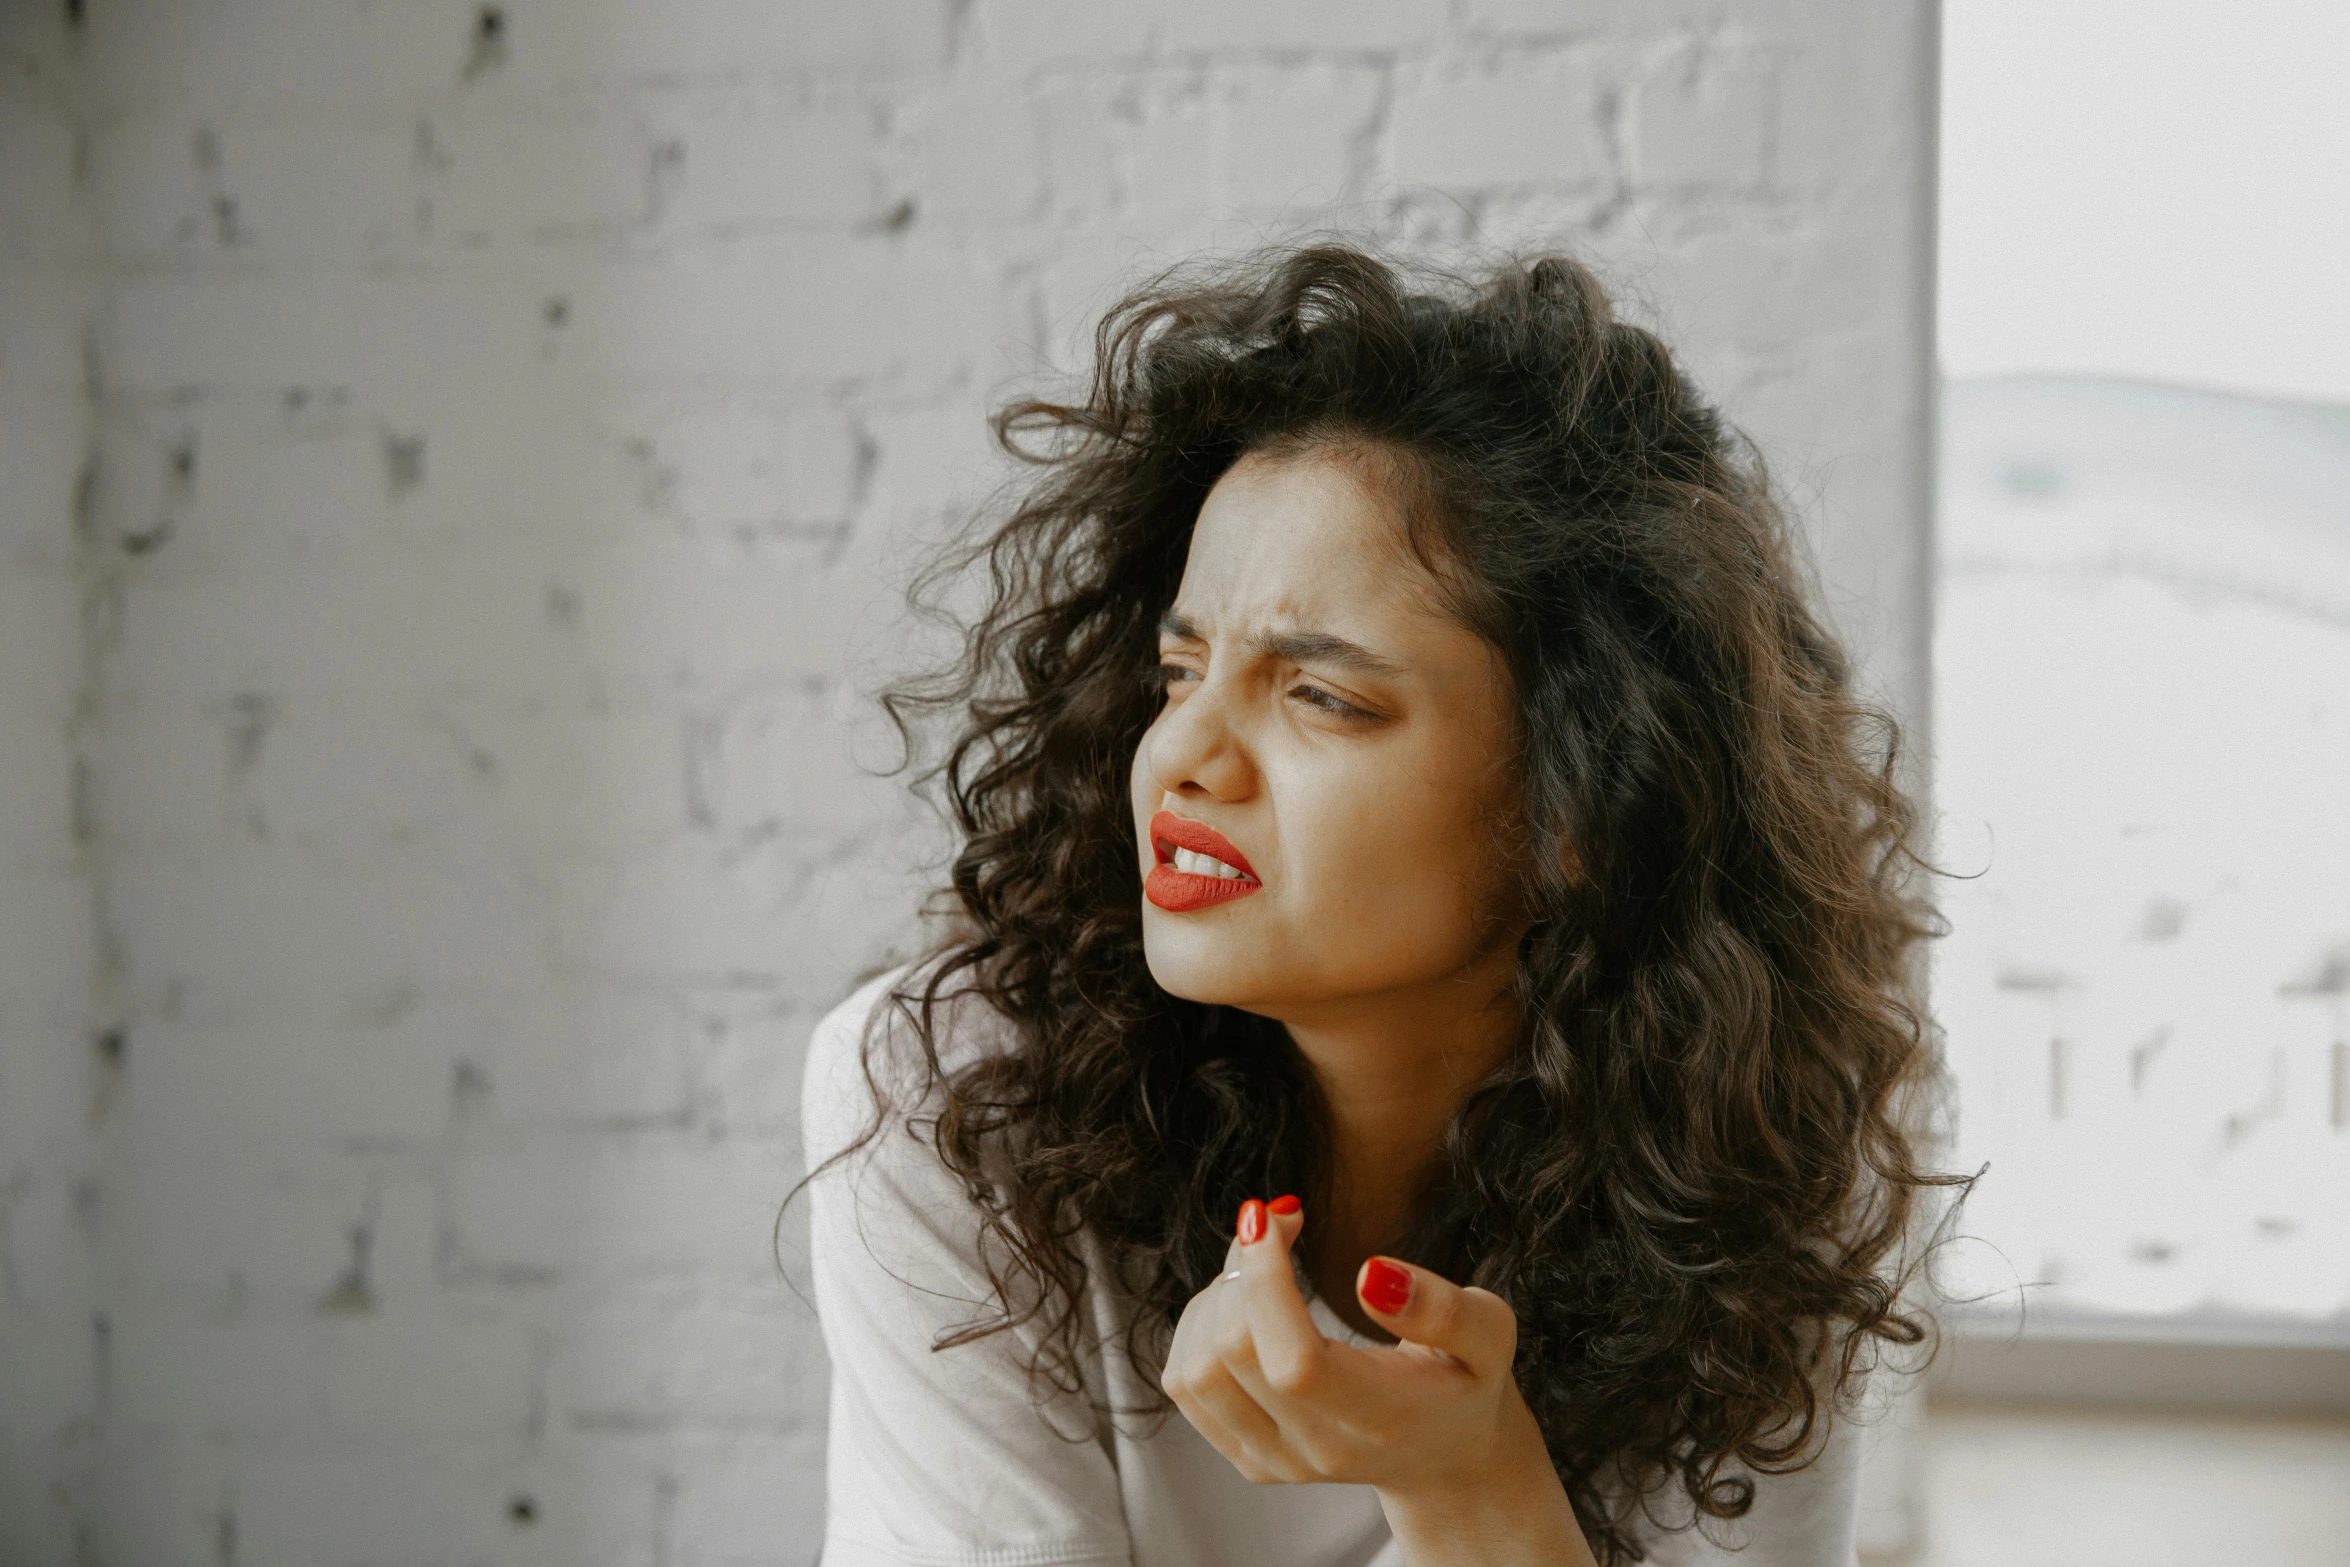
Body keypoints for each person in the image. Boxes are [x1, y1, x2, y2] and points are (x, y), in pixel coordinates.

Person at [799, 246, 1946, 1567]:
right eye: (1179, 670)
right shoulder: (947, 1097)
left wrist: (1467, 1484)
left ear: (1582, 804)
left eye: (1320, 696)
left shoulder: (1754, 1143)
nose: (1181, 756)